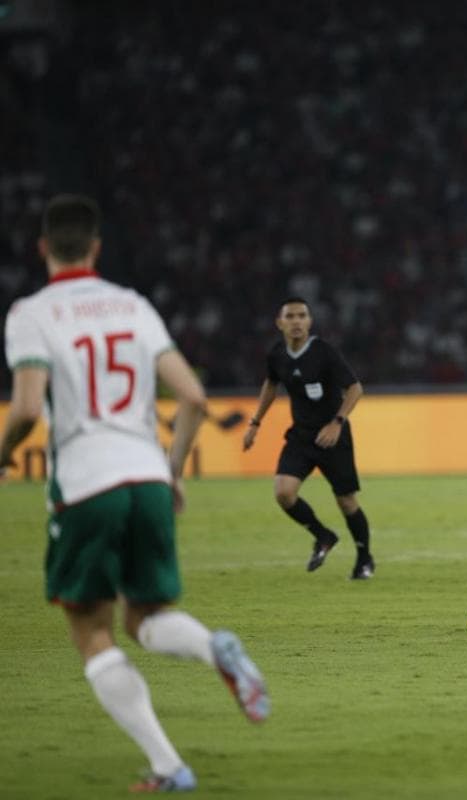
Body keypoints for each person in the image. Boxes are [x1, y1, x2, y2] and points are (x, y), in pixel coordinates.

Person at [0, 194, 269, 792]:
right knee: (145, 615)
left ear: (43, 248)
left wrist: (3, 455)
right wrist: (170, 472)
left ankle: (171, 767)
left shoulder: (31, 312)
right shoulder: (133, 305)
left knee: (91, 631)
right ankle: (211, 647)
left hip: (87, 483)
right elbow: (194, 398)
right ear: (97, 247)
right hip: (147, 476)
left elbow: (23, 406)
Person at [242, 298, 375, 579]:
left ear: (309, 321)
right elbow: (271, 383)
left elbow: (354, 388)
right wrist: (255, 422)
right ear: (280, 323)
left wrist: (337, 422)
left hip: (333, 436)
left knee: (347, 502)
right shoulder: (277, 355)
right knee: (283, 492)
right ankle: (323, 535)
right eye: (290, 316)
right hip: (301, 436)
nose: (296, 321)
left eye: (302, 315)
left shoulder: (324, 352)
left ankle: (364, 559)